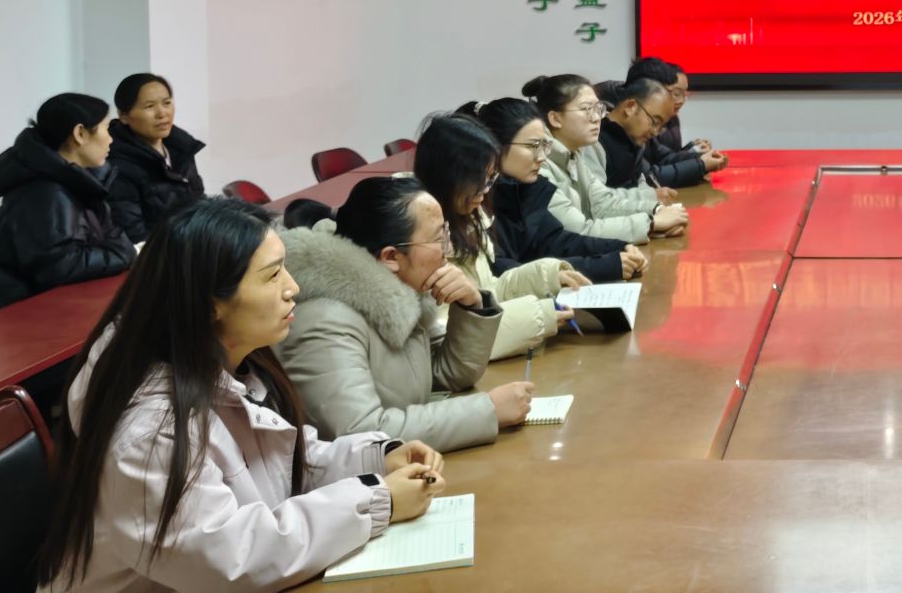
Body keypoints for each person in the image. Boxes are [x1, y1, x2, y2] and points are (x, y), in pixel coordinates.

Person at [34, 197, 445, 593]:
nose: (293, 288)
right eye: (272, 275)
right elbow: (228, 561)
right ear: (211, 302)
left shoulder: (226, 364)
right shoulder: (150, 431)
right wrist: (377, 500)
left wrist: (377, 458)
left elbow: (285, 464)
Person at [276, 176, 528, 451]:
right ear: (391, 257)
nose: (447, 251)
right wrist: (487, 411)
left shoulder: (402, 291)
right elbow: (360, 433)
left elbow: (446, 373)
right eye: (438, 239)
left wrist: (471, 305)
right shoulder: (324, 321)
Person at [412, 111, 587, 360]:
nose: (484, 190)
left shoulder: (468, 218)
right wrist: (540, 316)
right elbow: (448, 336)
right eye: (477, 180)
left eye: (490, 178)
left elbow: (489, 290)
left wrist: (548, 276)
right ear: (446, 177)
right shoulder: (421, 241)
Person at [0, 93, 135, 313]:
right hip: (24, 319)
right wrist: (122, 252)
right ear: (80, 134)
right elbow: (60, 268)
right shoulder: (44, 193)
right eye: (106, 129)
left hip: (58, 307)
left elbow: (108, 236)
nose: (111, 139)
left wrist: (121, 250)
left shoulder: (78, 181)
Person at [467, 97, 647, 283]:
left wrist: (619, 248)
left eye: (544, 146)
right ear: (496, 146)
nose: (542, 157)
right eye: (532, 146)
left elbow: (556, 241)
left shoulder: (526, 190)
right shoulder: (476, 201)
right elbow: (505, 271)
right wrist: (606, 266)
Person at [525, 72, 685, 242]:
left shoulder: (573, 154)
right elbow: (577, 231)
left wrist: (655, 210)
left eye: (598, 109)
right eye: (586, 109)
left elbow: (603, 204)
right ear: (555, 118)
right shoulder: (535, 164)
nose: (597, 118)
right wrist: (651, 223)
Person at [103, 72, 206, 242]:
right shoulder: (118, 164)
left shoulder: (181, 149)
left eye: (167, 103)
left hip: (193, 244)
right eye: (149, 106)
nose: (162, 113)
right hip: (157, 252)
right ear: (124, 115)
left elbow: (199, 202)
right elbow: (134, 235)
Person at [626, 57, 729, 182]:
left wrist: (699, 156)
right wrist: (701, 165)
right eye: (675, 93)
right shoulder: (618, 126)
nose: (655, 131)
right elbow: (648, 177)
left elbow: (664, 158)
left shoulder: (664, 118)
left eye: (684, 94)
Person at [600, 77, 679, 190]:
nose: (655, 132)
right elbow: (597, 197)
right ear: (630, 106)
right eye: (655, 122)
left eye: (661, 128)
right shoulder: (595, 141)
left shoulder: (633, 142)